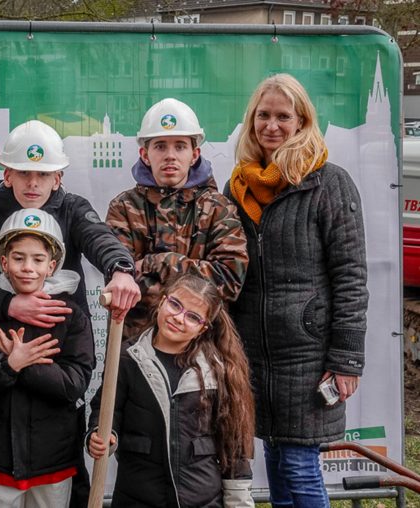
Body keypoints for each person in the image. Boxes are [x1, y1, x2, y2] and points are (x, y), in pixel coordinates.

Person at [0, 120, 141, 506]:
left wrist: (120, 269)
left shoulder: (73, 209)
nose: (33, 183)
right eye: (24, 173)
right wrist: (7, 304)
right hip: (1, 350)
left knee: (64, 467)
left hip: (60, 344)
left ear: (58, 178)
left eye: (44, 174)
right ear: (7, 174)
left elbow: (101, 239)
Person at [227, 73, 368, 507]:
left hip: (308, 354)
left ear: (303, 121)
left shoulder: (327, 182)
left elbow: (351, 276)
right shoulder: (238, 187)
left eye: (283, 116)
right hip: (253, 352)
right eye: (263, 116)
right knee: (275, 456)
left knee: (299, 468)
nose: (272, 126)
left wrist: (346, 359)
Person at [0, 208, 95, 508]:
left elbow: (74, 384)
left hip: (53, 463)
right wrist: (8, 364)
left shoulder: (72, 317)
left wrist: (24, 365)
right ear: (4, 263)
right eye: (19, 258)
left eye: (37, 260)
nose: (27, 268)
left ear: (52, 265)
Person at [87, 274, 255, 508]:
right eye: (175, 304)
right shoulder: (127, 357)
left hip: (202, 500)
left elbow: (233, 442)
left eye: (193, 317)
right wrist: (102, 434)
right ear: (162, 301)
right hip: (138, 497)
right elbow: (106, 409)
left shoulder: (216, 369)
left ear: (203, 328)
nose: (179, 318)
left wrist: (239, 503)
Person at [106, 98, 248, 342]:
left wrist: (157, 263)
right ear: (145, 154)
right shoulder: (124, 208)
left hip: (202, 348)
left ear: (194, 154)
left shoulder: (218, 208)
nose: (170, 156)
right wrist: (196, 280)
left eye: (180, 146)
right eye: (160, 146)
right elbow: (123, 284)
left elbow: (229, 280)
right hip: (135, 345)